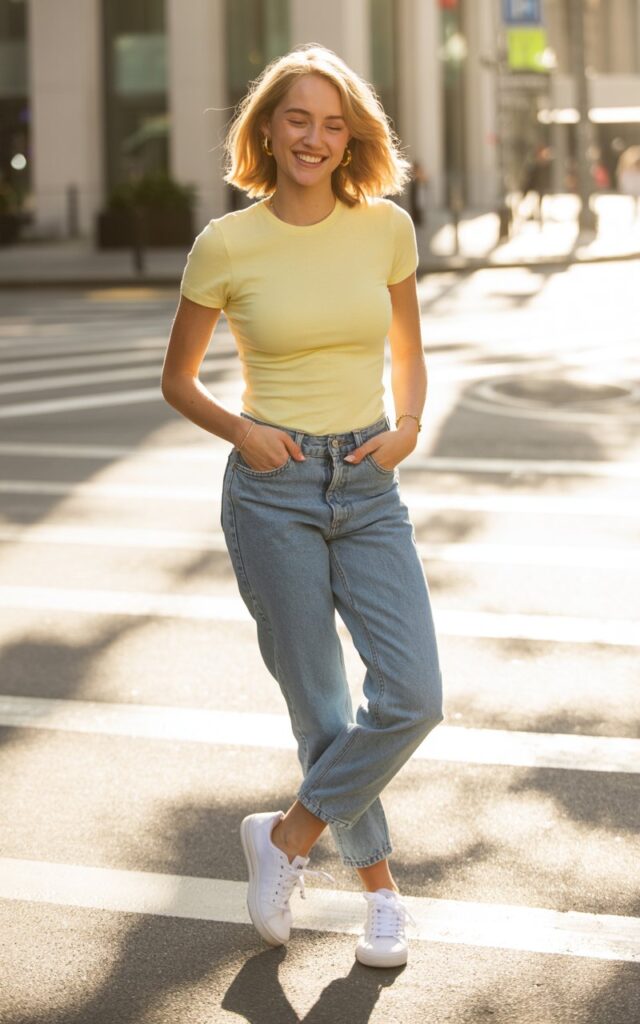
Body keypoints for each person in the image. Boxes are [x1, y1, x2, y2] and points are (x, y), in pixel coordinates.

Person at [161, 43, 443, 969]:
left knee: (411, 697)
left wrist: (409, 424)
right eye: (298, 119)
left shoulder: (386, 228)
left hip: (369, 482)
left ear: (350, 136)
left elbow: (408, 346)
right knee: (323, 706)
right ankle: (383, 896)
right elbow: (178, 381)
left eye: (333, 123)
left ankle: (284, 838)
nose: (315, 138)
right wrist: (242, 432)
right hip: (271, 490)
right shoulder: (228, 244)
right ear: (268, 130)